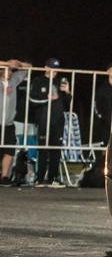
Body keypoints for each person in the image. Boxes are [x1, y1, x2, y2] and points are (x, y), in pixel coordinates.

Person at [29, 58, 71, 187]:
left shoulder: (60, 81)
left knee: (56, 151)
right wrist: (47, 98)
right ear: (46, 68)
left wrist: (68, 92)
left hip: (58, 121)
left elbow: (67, 104)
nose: (55, 71)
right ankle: (40, 178)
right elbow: (32, 100)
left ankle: (53, 178)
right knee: (43, 150)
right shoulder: (38, 81)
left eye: (57, 69)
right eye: (52, 68)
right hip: (43, 120)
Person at [1, 59, 31, 185]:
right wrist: (7, 63)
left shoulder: (13, 79)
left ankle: (4, 177)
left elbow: (29, 67)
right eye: (8, 70)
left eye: (11, 70)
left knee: (9, 150)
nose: (10, 73)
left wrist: (18, 64)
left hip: (8, 123)